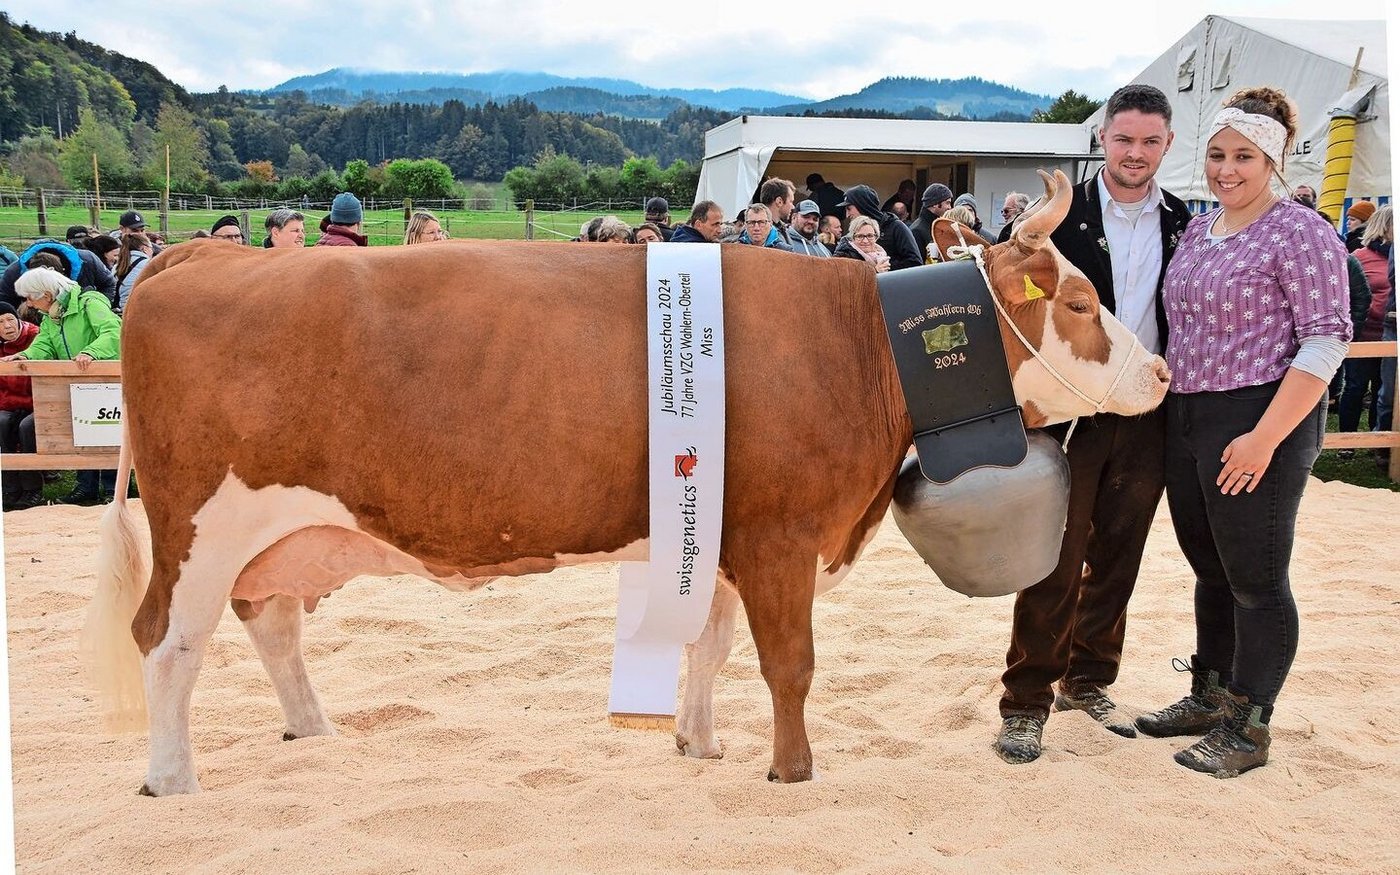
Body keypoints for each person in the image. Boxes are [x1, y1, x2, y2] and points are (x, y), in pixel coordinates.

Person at [1137, 87, 1352, 778]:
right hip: (1190, 413)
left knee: (1256, 579)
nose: (1228, 169)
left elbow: (1325, 341)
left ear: (1274, 161)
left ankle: (1250, 725)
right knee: (1211, 569)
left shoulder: (1302, 231)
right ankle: (1210, 692)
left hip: (1262, 412)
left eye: (1245, 157)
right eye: (1218, 154)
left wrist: (1264, 437)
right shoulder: (1200, 230)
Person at [995, 83, 1192, 766]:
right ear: (1102, 139)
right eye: (1123, 138)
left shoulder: (1183, 221)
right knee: (1052, 554)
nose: (1135, 153)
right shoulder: (1058, 217)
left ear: (1168, 144)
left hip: (1144, 411)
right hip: (1069, 411)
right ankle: (1025, 701)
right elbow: (1002, 292)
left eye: (1149, 141)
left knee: (1118, 554)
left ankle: (1088, 681)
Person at [4, 266, 123, 505]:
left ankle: (113, 489)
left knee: (107, 432)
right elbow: (45, 344)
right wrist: (26, 356)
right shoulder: (51, 317)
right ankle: (85, 488)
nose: (28, 303)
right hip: (75, 383)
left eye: (30, 297)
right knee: (82, 433)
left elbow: (113, 331)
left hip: (105, 382)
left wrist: (91, 352)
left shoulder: (90, 303)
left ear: (46, 294)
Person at [1340, 205, 1393, 439]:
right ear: (1385, 226)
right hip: (1363, 336)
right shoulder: (1359, 257)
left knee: (1383, 390)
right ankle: (1347, 440)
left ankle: (1376, 438)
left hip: (1390, 337)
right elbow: (1352, 296)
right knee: (1355, 388)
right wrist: (1354, 328)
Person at [0, 301, 41, 510]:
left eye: (9, 319)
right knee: (2, 423)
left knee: (27, 427)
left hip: (38, 402)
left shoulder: (36, 337)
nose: (7, 325)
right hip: (8, 402)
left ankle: (32, 489)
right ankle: (9, 488)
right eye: (0, 322)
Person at [0, 240, 118, 312]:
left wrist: (99, 307)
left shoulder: (89, 261)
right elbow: (6, 306)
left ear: (63, 273)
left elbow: (108, 283)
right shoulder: (13, 275)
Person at [838, 184, 921, 270]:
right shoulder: (849, 237)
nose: (847, 215)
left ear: (862, 206)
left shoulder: (896, 227)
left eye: (849, 208)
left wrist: (885, 266)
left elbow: (915, 262)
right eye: (860, 236)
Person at [908, 183, 954, 264]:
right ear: (935, 204)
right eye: (947, 203)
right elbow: (916, 265)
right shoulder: (917, 231)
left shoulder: (937, 227)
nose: (950, 207)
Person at [114, 232, 154, 314]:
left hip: (121, 311)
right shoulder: (149, 265)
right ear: (144, 249)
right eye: (151, 247)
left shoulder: (117, 266)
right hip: (140, 310)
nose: (152, 251)